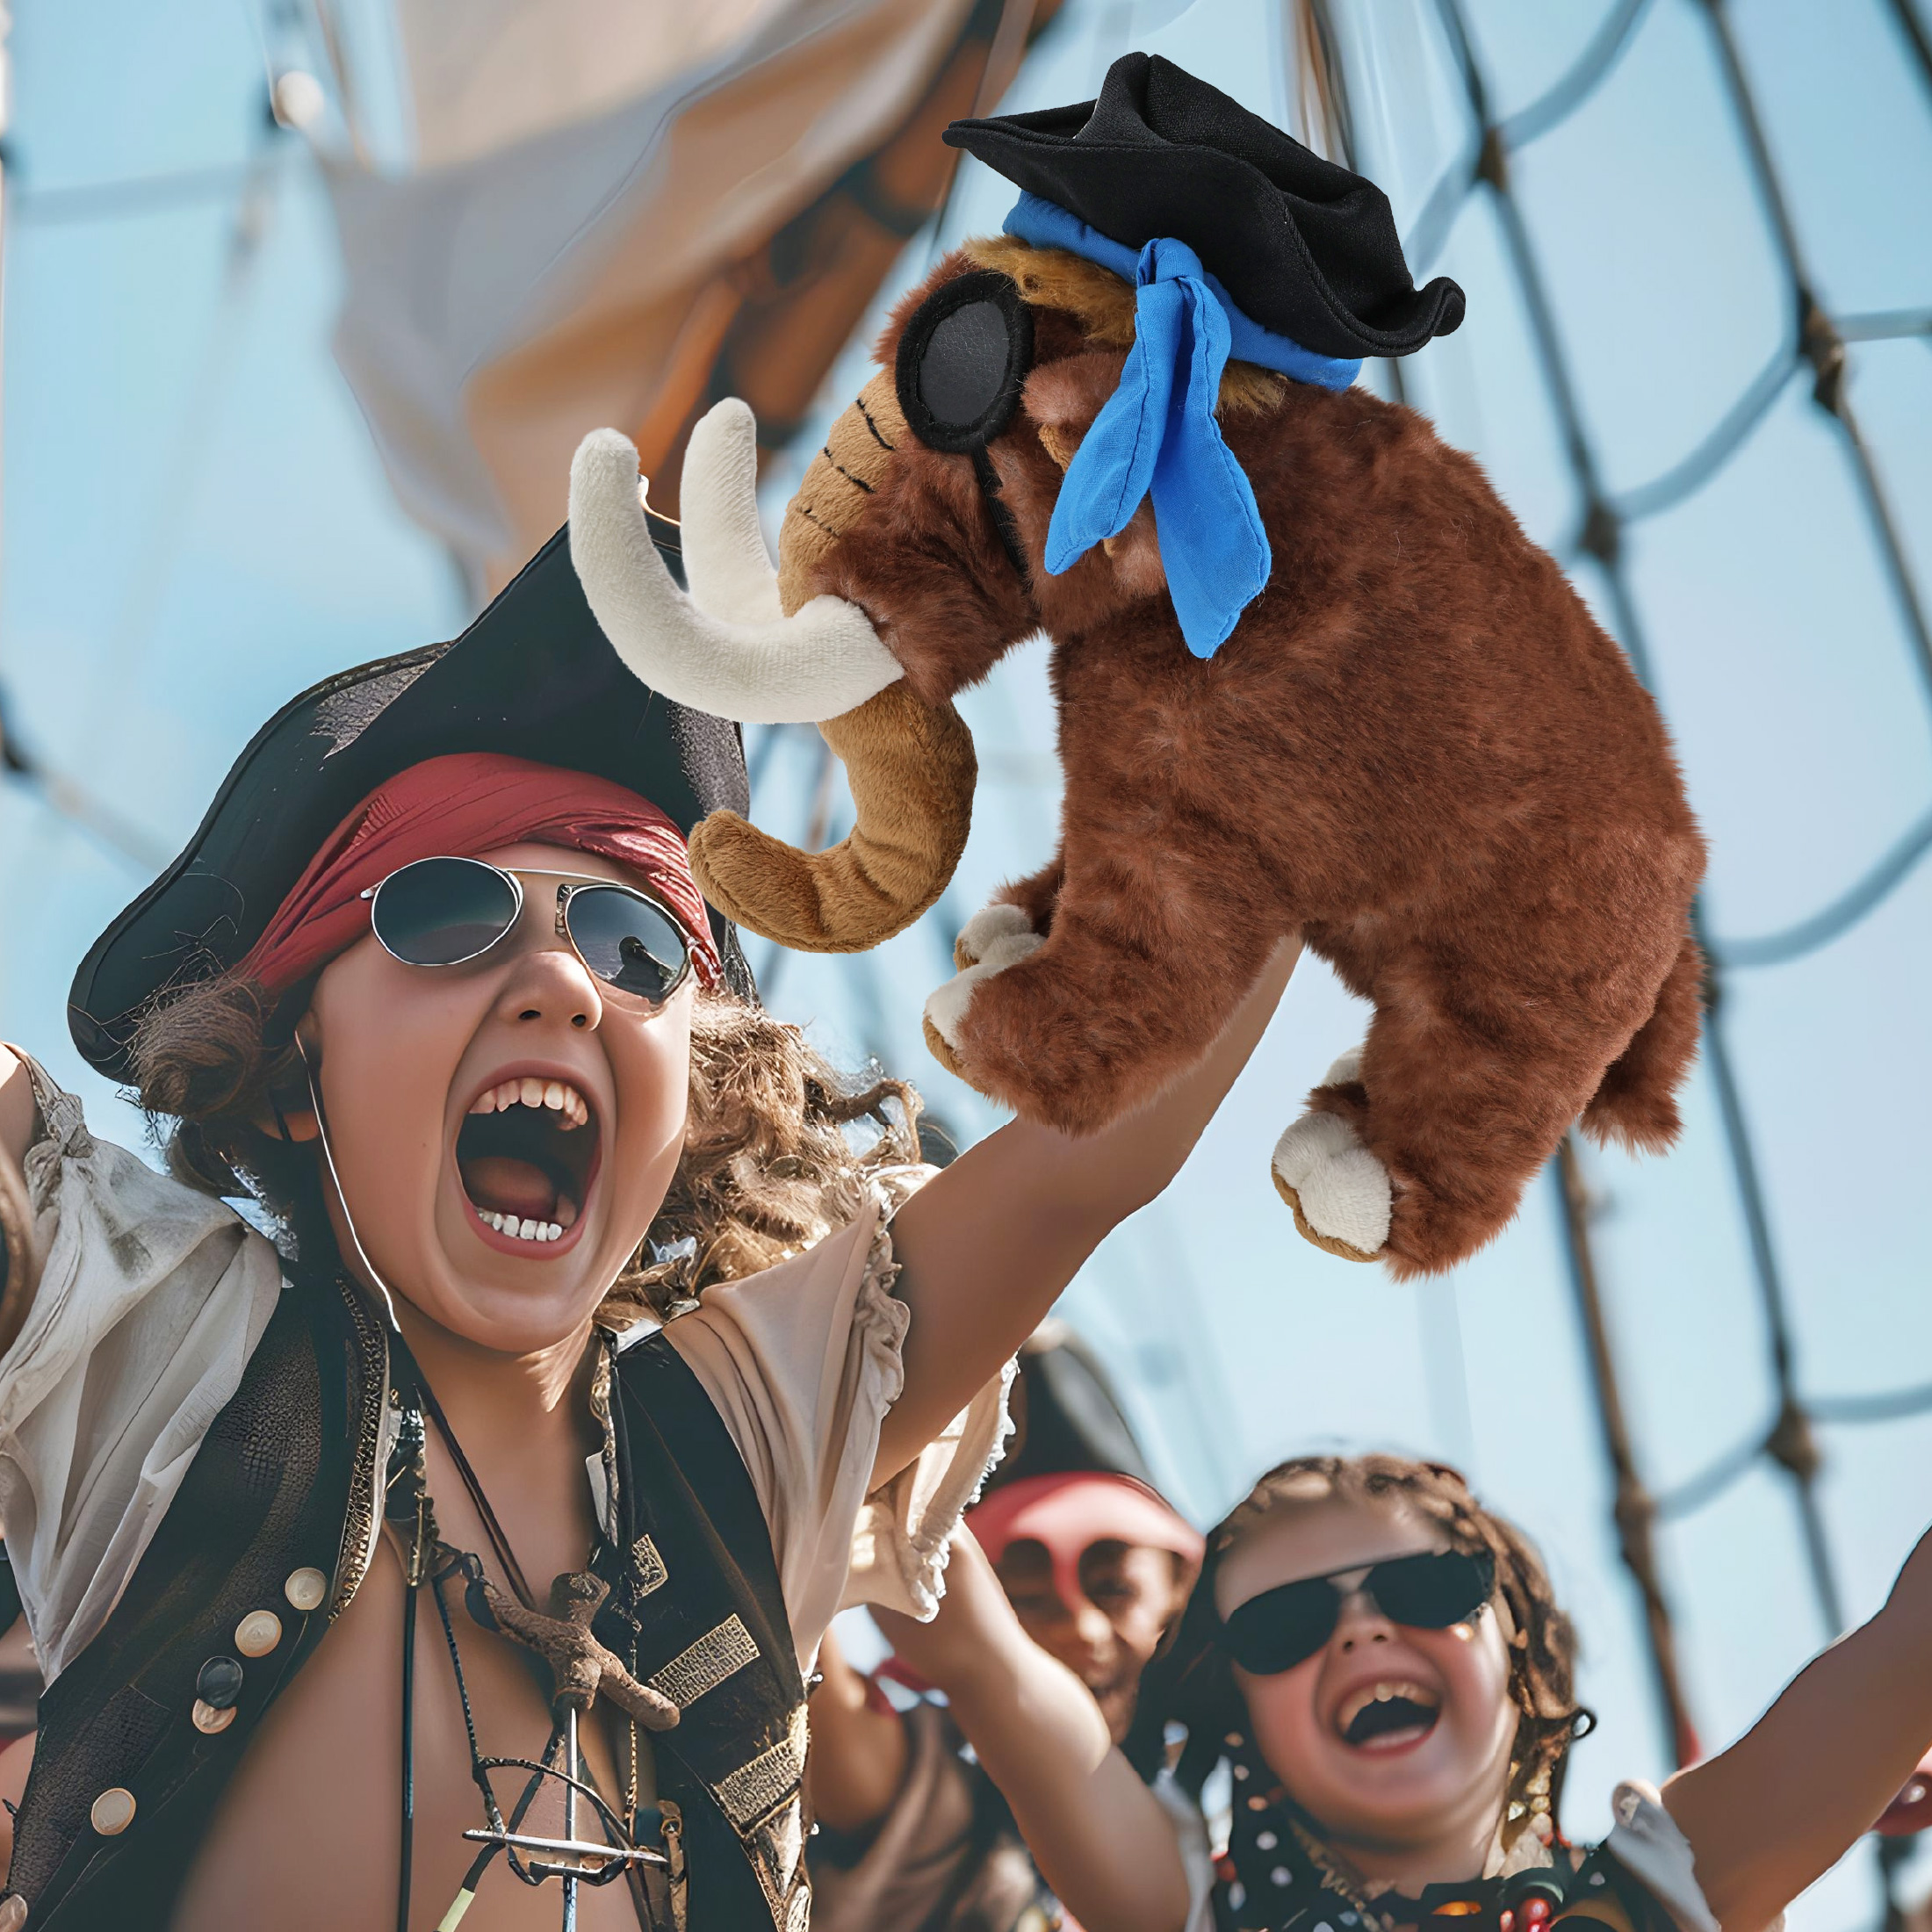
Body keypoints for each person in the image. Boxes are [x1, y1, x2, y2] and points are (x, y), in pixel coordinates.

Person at [0, 520, 1296, 1932]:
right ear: (290, 1075)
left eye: (637, 947)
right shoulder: (166, 1365)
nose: (564, 981)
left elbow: (1084, 1160)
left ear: (700, 1095)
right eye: (448, 914)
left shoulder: (747, 1447)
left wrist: (1321, 736)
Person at [899, 1452, 1932, 1932]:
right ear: (1238, 1710)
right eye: (1285, 1625)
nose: (1361, 1627)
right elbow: (978, 1650)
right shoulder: (1184, 1913)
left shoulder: (1672, 1885)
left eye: (1426, 1589)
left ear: (1514, 1643)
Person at [805, 1327, 1203, 1932]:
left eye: (1114, 1588)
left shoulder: (1256, 1805)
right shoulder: (936, 1793)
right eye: (1024, 1600)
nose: (1080, 1628)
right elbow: (841, 1743)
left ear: (1178, 1590)